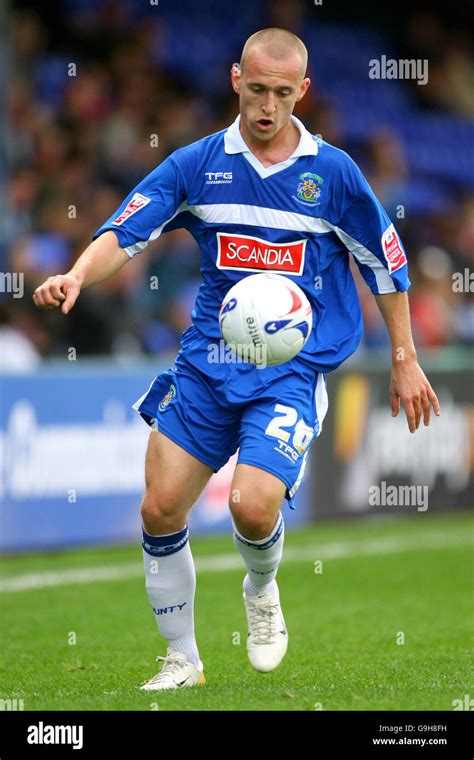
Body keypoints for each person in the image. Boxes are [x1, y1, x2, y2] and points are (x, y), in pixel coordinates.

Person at [33, 28, 440, 690]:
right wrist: (78, 275)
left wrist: (404, 355)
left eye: (283, 94)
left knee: (253, 508)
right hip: (206, 364)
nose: (268, 106)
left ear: (302, 92)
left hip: (290, 370)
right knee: (160, 509)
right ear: (234, 80)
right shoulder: (198, 164)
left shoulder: (332, 173)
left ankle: (262, 589)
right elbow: (127, 228)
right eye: (257, 90)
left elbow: (385, 261)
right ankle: (182, 661)